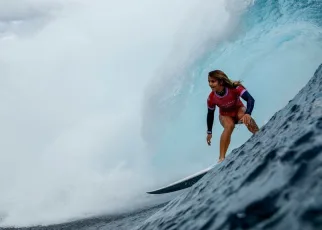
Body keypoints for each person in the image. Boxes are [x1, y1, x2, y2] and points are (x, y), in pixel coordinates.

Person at [206, 70, 259, 163]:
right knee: (229, 126)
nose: (210, 84)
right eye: (209, 81)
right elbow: (210, 114)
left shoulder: (234, 88)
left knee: (243, 115)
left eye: (213, 81)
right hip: (225, 115)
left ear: (221, 82)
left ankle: (258, 134)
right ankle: (221, 158)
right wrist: (209, 132)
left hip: (238, 109)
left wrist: (248, 113)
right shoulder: (211, 98)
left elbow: (250, 99)